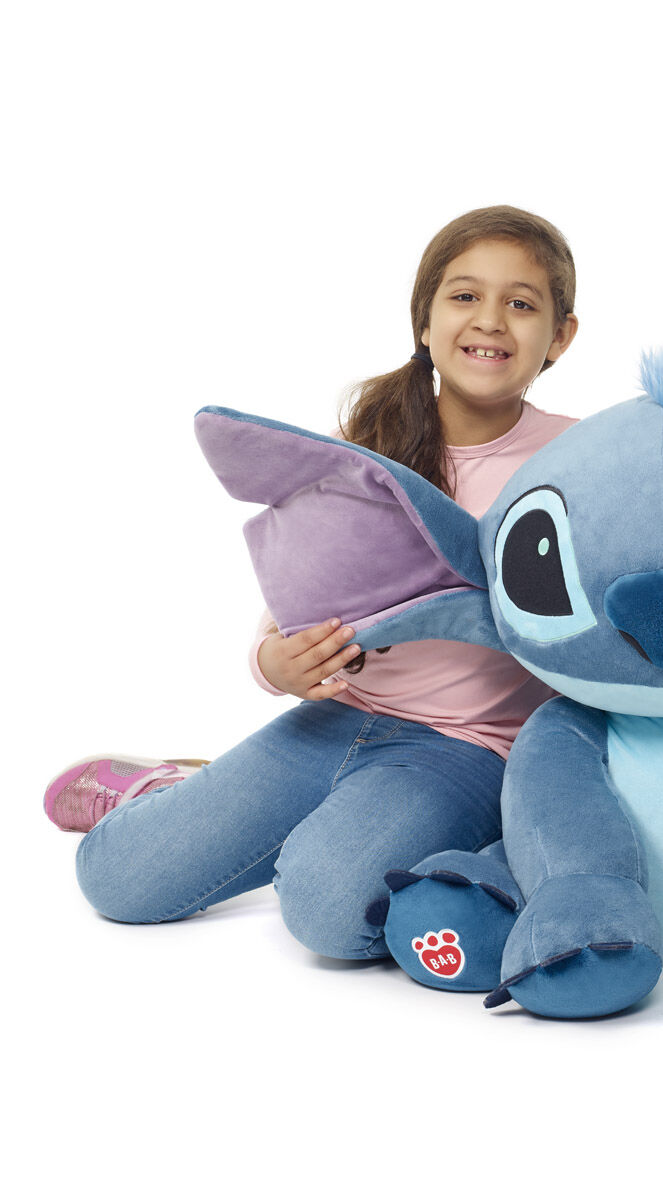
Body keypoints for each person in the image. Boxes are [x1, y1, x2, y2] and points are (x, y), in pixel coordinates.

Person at [44, 205, 579, 961]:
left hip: (470, 749)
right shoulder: (367, 446)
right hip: (337, 716)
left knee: (329, 911)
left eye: (520, 304)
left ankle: (424, 845)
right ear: (424, 321)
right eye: (464, 296)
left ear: (560, 336)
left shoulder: (579, 461)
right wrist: (274, 664)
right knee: (116, 880)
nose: (489, 319)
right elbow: (294, 598)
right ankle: (169, 788)